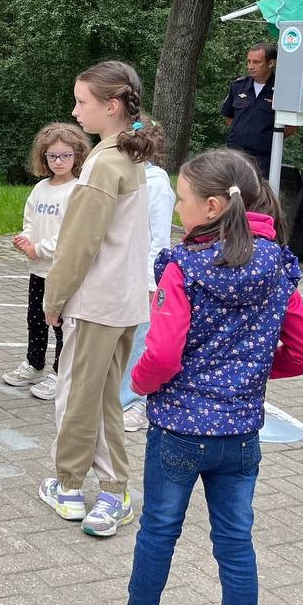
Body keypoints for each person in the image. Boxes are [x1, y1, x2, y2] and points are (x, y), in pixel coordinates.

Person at [96, 148, 303, 605]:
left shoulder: (184, 266)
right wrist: (252, 373)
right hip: (241, 435)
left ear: (214, 207)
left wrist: (139, 382)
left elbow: (162, 353)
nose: (178, 209)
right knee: (236, 545)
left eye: (182, 200)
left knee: (159, 529)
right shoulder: (278, 265)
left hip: (179, 429)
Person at [39, 60, 165, 537]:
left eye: (82, 102)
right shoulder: (132, 157)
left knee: (76, 396)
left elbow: (78, 244)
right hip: (126, 299)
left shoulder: (103, 163)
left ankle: (77, 486)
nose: (75, 111)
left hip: (97, 302)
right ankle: (107, 489)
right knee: (103, 398)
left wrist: (55, 296)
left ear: (111, 106)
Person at [3, 123, 91, 402]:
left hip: (62, 271)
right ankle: (34, 364)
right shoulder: (41, 188)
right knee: (36, 319)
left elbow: (72, 233)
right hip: (38, 269)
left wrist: (39, 248)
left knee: (61, 323)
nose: (59, 161)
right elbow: (30, 222)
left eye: (65, 155)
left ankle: (60, 372)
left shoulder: (78, 190)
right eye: (53, 156)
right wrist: (25, 241)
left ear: (77, 156)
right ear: (44, 158)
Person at [120, 161, 177, 432]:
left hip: (145, 275)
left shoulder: (156, 184)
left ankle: (136, 403)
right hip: (120, 272)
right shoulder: (121, 175)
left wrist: (153, 282)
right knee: (122, 338)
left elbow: (160, 237)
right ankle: (119, 397)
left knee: (141, 338)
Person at [220, 42, 279, 177]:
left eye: (256, 62)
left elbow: (290, 127)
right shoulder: (238, 86)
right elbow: (229, 117)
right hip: (236, 154)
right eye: (249, 61)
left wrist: (263, 138)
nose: (250, 66)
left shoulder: (280, 90)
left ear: (270, 63)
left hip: (264, 157)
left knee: (259, 193)